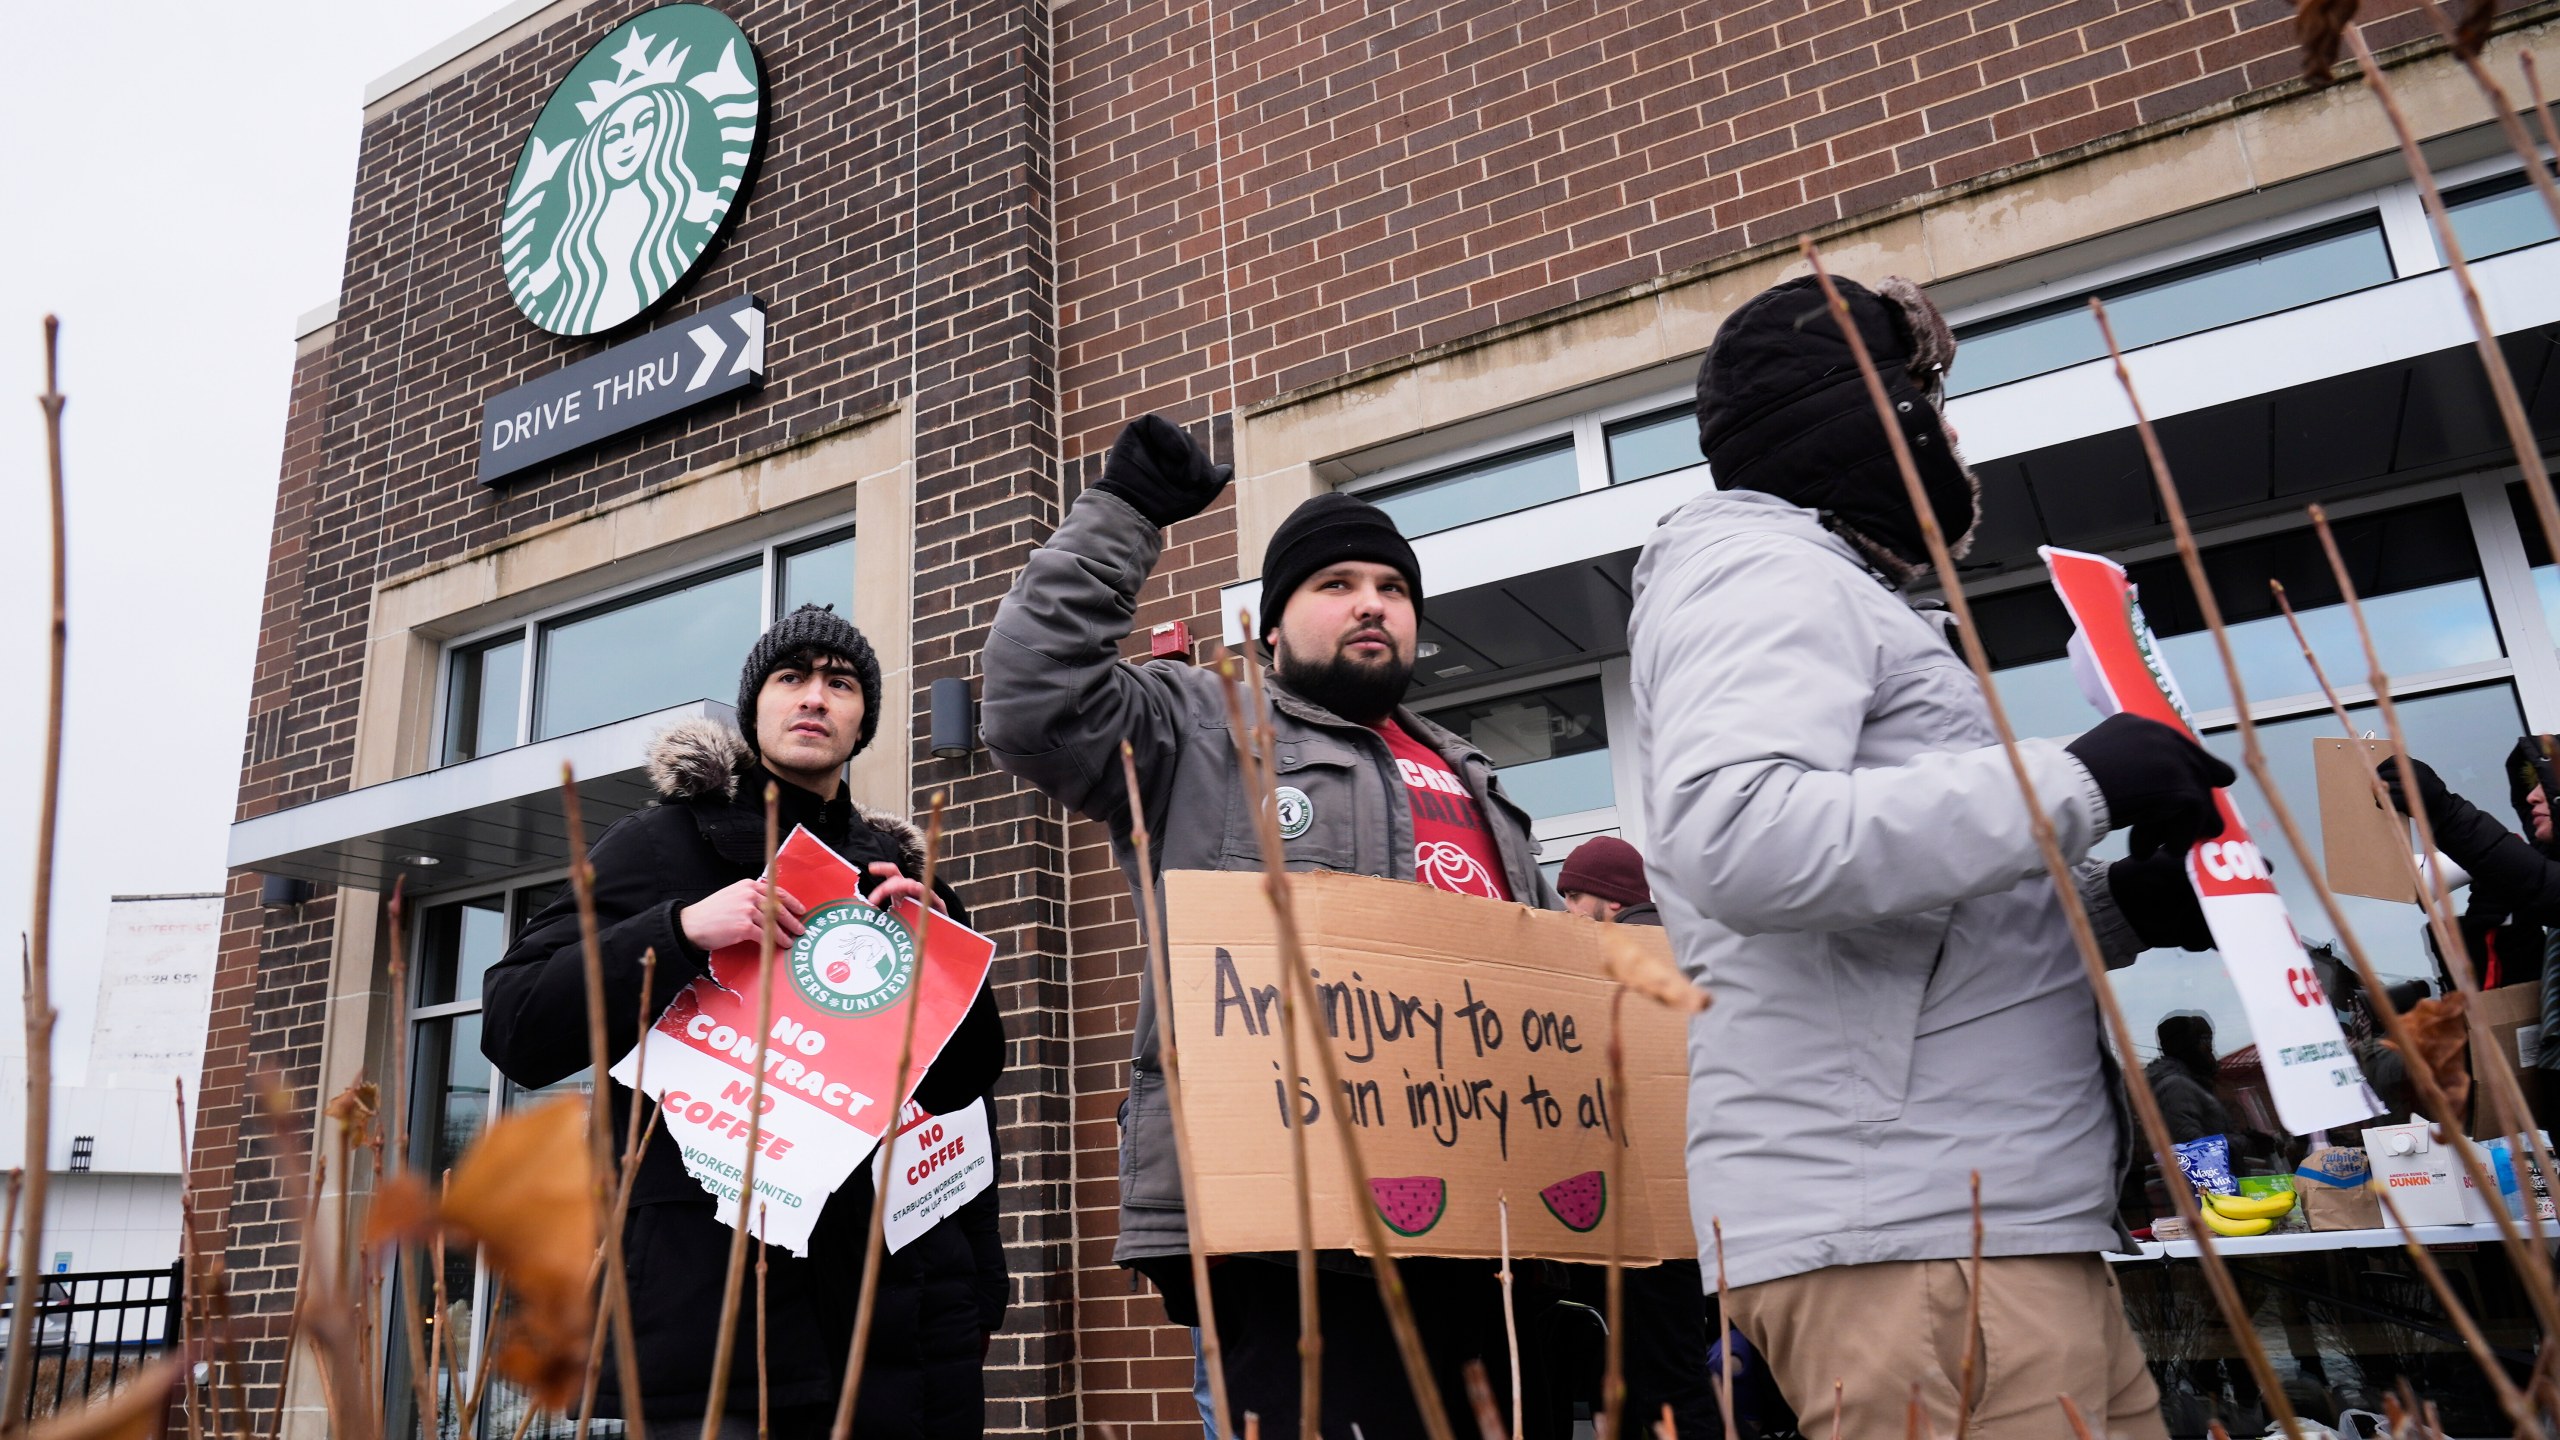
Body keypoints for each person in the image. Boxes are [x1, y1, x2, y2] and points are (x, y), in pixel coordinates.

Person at [1627, 275, 2235, 1439]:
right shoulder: (1764, 571)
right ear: (1866, 417)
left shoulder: (1824, 589)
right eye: (1929, 398)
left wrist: (2126, 909)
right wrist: (2079, 780)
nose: (1953, 436)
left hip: (1983, 1226)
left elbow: (1913, 927)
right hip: (1913, 1238)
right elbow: (1741, 834)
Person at [982, 416, 1553, 1438]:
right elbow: (1033, 702)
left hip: (1484, 1227)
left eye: (1392, 590)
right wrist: (1123, 517)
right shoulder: (1197, 729)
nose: (1371, 605)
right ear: (1273, 622)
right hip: (1285, 1224)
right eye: (1335, 585)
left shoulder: (1477, 780)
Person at [481, 604, 1008, 1440]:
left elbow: (961, 1091)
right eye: (790, 678)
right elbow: (514, 1025)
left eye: (839, 685)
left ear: (862, 718)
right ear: (754, 705)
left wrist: (943, 950)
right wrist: (681, 929)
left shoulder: (899, 874)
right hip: (716, 1318)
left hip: (899, 1324)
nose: (815, 698)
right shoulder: (661, 845)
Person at [2147, 1013, 2233, 1146]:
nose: (2209, 1048)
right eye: (2204, 1040)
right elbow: (2194, 1149)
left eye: (2209, 1040)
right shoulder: (2176, 1087)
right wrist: (2247, 1143)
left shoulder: (2190, 1083)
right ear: (2185, 1045)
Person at [1556, 835, 1656, 926]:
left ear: (1614, 897)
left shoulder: (1621, 943)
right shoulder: (1668, 929)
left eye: (1574, 896)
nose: (1567, 908)